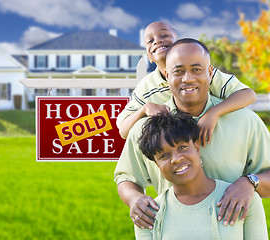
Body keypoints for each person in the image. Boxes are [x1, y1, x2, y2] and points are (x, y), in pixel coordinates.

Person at [114, 38, 270, 232]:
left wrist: (250, 183)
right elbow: (126, 177)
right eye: (178, 71)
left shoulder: (246, 122)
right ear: (166, 74)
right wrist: (134, 199)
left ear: (210, 72)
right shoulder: (146, 129)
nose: (187, 78)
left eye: (196, 69)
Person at [117, 21, 256, 147]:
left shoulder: (202, 74)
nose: (157, 41)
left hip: (215, 139)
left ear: (179, 43)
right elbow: (123, 130)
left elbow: (248, 95)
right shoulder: (146, 87)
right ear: (149, 57)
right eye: (150, 40)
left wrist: (213, 113)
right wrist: (144, 109)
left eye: (164, 35)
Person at [135, 112, 267, 239]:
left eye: (182, 147)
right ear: (157, 165)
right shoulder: (147, 214)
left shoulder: (243, 198)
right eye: (164, 155)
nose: (176, 159)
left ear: (197, 148)